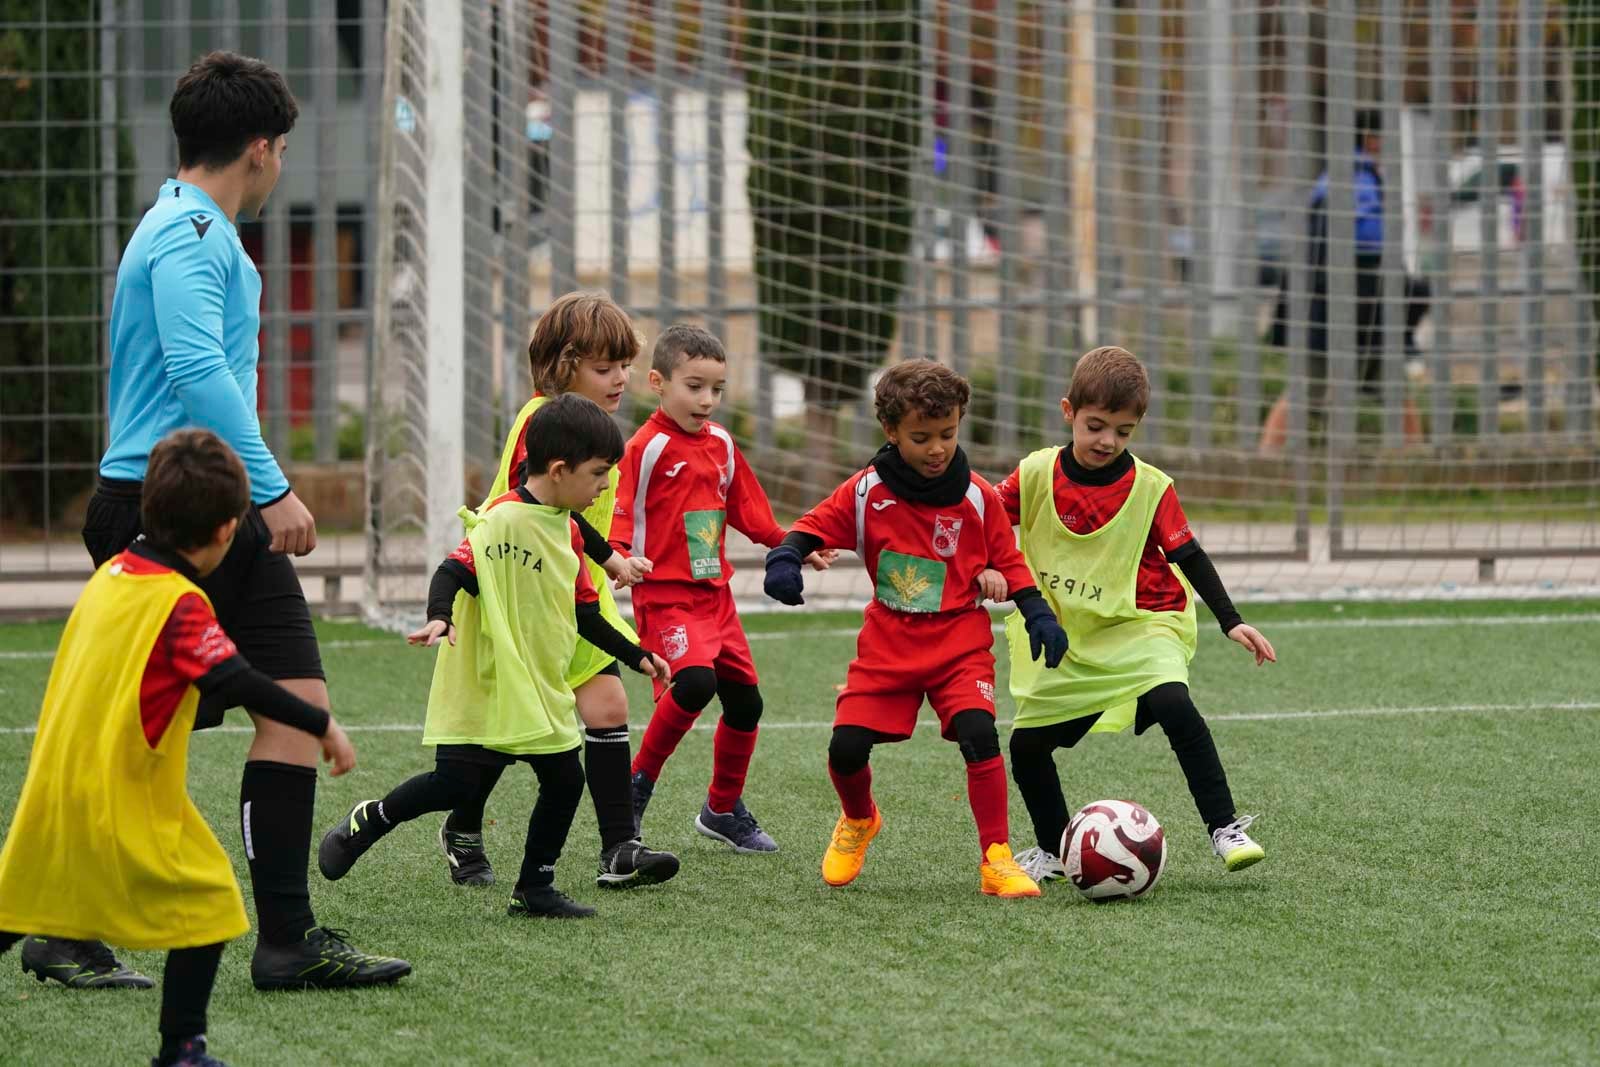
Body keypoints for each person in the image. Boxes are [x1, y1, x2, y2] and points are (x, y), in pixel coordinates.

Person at [62, 50, 407, 990]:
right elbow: (195, 368)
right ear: (260, 147)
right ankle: (64, 925)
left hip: (207, 507)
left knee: (290, 702)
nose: (282, 163)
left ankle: (284, 938)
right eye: (283, 148)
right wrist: (270, 484)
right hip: (165, 512)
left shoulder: (195, 227)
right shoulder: (186, 233)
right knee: (144, 733)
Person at [0, 430, 367, 1067]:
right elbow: (238, 679)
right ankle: (181, 1049)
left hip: (55, 784)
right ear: (228, 531)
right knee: (211, 905)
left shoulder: (113, 574)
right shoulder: (179, 604)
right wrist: (321, 723)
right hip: (124, 795)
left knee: (16, 905)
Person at [316, 396, 673, 919]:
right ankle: (369, 820)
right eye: (598, 474)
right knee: (455, 785)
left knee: (565, 781)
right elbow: (451, 571)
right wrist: (440, 616)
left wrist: (638, 656)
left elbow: (586, 615)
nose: (605, 485)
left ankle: (534, 888)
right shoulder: (499, 520)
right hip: (485, 680)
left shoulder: (569, 529)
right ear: (559, 470)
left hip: (536, 683)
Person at [762, 359, 1070, 897]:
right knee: (846, 748)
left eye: (948, 434)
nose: (937, 448)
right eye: (921, 437)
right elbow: (811, 527)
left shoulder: (977, 496)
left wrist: (1037, 611)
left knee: (979, 734)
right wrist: (785, 558)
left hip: (959, 642)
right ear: (890, 430)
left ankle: (996, 858)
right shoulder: (866, 492)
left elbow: (1010, 560)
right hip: (888, 642)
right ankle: (859, 818)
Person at [995, 346, 1275, 884]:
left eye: (1123, 431)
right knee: (1026, 747)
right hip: (1071, 636)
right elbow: (981, 517)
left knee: (1173, 701)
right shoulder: (1035, 474)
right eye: (1096, 426)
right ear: (1068, 411)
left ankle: (1225, 828)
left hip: (1145, 623)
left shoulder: (1151, 487)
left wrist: (1231, 620)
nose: (1108, 440)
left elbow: (1189, 555)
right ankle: (1055, 850)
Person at [437, 291, 677, 892]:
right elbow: (540, 511)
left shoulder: (591, 426)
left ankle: (620, 849)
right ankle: (462, 827)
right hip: (520, 593)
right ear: (563, 365)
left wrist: (609, 559)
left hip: (576, 591)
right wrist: (609, 557)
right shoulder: (542, 422)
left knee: (609, 707)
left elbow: (574, 520)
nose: (620, 378)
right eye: (604, 367)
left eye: (624, 366)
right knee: (501, 730)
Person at [613, 325, 833, 852]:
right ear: (658, 383)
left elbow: (748, 509)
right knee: (694, 683)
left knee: (746, 704)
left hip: (717, 598)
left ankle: (722, 807)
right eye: (694, 386)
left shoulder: (722, 444)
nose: (707, 400)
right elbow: (620, 506)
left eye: (716, 388)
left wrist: (792, 545)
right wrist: (618, 554)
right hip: (665, 594)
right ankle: (633, 789)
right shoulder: (646, 447)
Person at [1261, 109, 1430, 453]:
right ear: (1371, 140)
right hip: (1347, 311)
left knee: (1370, 387)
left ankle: (1267, 455)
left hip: (1336, 309)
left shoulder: (1340, 175)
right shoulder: (1357, 180)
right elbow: (1367, 241)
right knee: (1315, 387)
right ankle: (1413, 457)